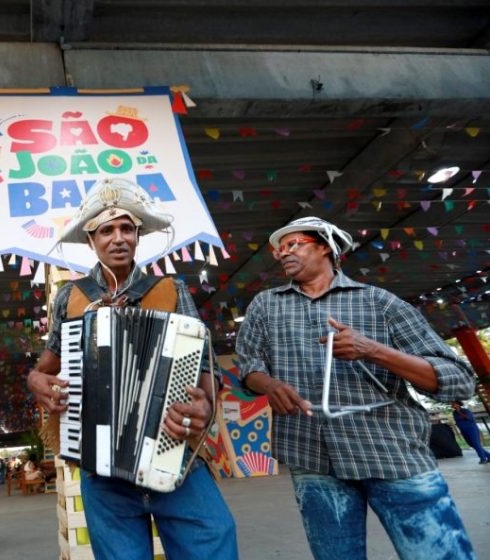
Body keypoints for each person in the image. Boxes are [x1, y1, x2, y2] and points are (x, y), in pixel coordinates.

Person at [235, 216, 477, 559]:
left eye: (294, 244)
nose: (282, 253)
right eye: (278, 249)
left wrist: (373, 350)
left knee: (438, 554)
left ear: (325, 246)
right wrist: (269, 384)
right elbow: (248, 366)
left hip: (391, 454)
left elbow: (458, 378)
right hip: (311, 457)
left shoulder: (380, 302)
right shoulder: (265, 305)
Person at [28, 177, 238, 560]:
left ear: (138, 235)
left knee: (215, 539)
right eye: (106, 230)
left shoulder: (172, 290)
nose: (118, 237)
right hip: (99, 462)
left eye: (127, 228)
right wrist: (37, 381)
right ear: (91, 240)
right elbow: (45, 366)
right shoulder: (70, 298)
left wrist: (205, 406)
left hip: (173, 448)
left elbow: (207, 368)